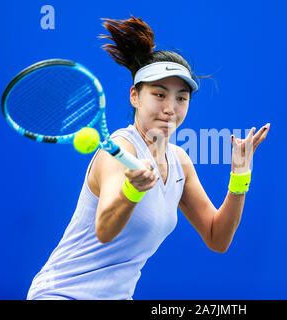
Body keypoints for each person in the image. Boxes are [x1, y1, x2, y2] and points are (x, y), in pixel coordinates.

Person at [27, 15, 270, 300]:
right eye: (159, 94)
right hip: (62, 294)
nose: (170, 108)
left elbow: (218, 238)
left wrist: (240, 175)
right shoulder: (119, 150)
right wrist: (132, 190)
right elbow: (105, 230)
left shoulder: (179, 161)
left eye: (181, 98)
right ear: (135, 96)